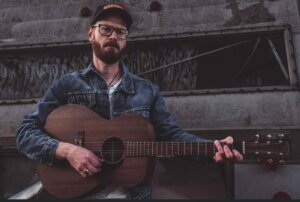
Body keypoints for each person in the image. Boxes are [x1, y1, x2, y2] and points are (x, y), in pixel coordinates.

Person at [16, 1, 243, 199]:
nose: (114, 36)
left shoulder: (147, 91)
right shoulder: (67, 85)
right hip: (76, 195)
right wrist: (67, 151)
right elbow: (25, 132)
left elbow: (173, 137)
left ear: (125, 40)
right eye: (105, 29)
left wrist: (212, 149)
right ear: (90, 34)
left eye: (121, 32)